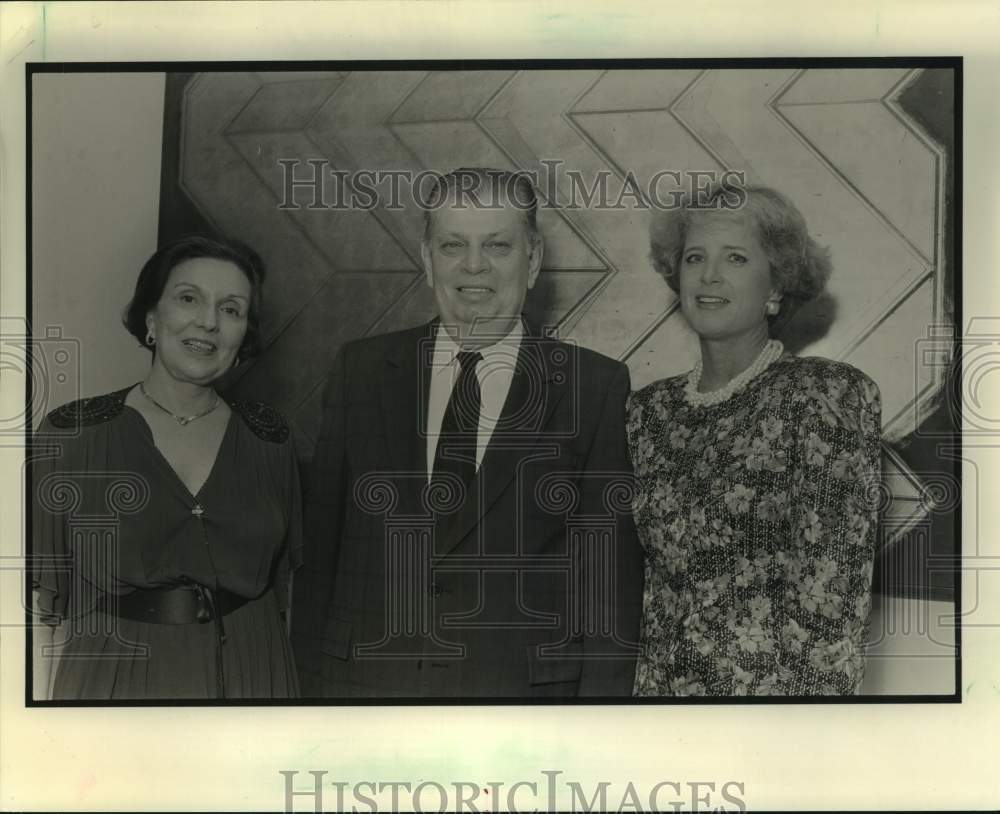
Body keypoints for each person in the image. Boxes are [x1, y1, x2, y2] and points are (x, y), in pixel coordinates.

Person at [292, 168, 644, 698]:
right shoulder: (360, 371)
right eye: (453, 244)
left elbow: (608, 587)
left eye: (497, 245)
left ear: (533, 260)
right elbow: (319, 561)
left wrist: (593, 727)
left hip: (521, 708)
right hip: (364, 692)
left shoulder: (593, 387)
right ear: (426, 258)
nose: (473, 265)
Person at [628, 184, 882, 696]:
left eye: (736, 258)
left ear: (775, 287)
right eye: (695, 257)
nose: (709, 275)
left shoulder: (825, 395)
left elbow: (832, 607)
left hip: (769, 723)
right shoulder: (646, 412)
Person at [31, 235, 301, 700]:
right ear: (152, 318)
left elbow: (288, 592)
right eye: (188, 298)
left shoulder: (270, 438)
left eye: (231, 309)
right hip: (116, 677)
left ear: (244, 337)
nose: (209, 322)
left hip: (253, 671)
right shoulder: (72, 434)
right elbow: (40, 615)